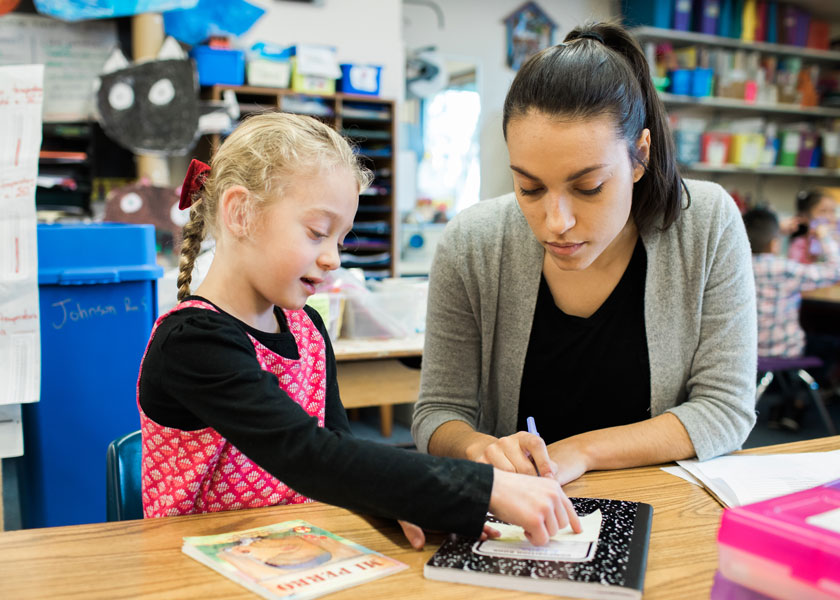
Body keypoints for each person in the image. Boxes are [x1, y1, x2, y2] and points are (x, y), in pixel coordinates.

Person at [136, 112, 580, 549]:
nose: (333, 258)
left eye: (340, 239)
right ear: (241, 213)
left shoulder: (307, 327)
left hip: (296, 552)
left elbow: (340, 446)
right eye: (316, 232)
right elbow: (308, 453)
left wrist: (402, 499)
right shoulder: (192, 341)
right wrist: (485, 488)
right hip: (194, 567)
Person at [412, 22, 758, 484]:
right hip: (520, 512)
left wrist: (581, 452)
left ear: (640, 155)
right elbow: (438, 412)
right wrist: (484, 449)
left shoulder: (705, 221)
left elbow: (726, 410)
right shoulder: (473, 242)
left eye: (589, 187)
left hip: (666, 506)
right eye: (530, 188)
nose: (556, 222)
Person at [745, 206, 840, 428]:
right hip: (783, 351)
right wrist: (825, 236)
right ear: (775, 242)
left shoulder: (736, 263)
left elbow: (761, 243)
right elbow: (836, 270)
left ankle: (787, 405)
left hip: (747, 350)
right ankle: (796, 403)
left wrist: (776, 234)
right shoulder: (785, 269)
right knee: (830, 342)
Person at [788, 189, 839, 265]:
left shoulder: (837, 242)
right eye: (823, 211)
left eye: (833, 211)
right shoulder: (799, 245)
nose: (829, 217)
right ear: (805, 217)